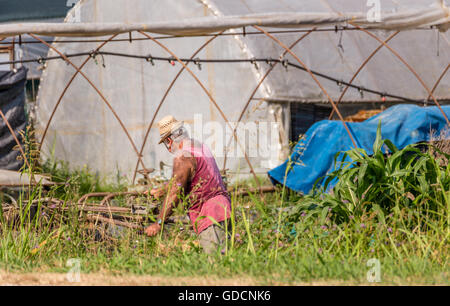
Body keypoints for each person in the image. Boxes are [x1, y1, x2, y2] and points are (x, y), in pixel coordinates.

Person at [144, 115, 231, 254]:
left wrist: (159, 223)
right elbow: (186, 178)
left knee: (216, 264)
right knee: (226, 260)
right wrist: (162, 189)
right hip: (223, 209)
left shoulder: (182, 157)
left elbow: (175, 193)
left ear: (169, 141)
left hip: (209, 215)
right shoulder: (199, 147)